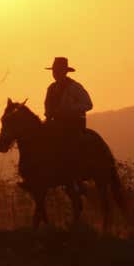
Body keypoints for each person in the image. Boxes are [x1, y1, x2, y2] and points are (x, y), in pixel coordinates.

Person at [42, 56, 93, 188]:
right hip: (56, 122)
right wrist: (48, 114)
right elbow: (47, 106)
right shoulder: (51, 88)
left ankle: (76, 173)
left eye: (58, 71)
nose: (55, 73)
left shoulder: (74, 87)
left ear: (65, 72)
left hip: (73, 123)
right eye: (54, 71)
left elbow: (88, 104)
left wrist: (70, 109)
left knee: (70, 143)